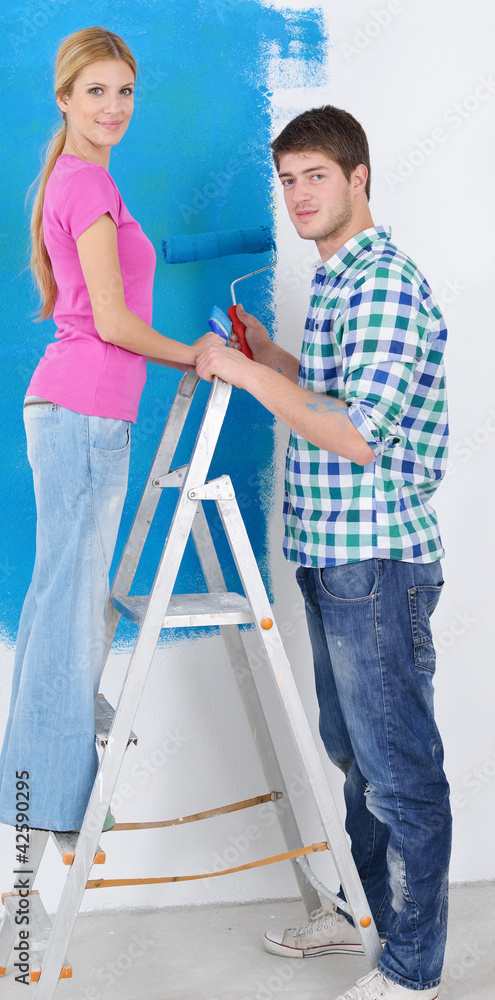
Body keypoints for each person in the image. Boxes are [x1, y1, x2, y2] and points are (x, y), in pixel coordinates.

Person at [196, 106, 451, 1000]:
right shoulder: (342, 280)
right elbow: (336, 395)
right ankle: (366, 914)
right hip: (334, 555)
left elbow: (358, 434)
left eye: (316, 176)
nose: (299, 195)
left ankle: (412, 970)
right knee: (356, 759)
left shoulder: (380, 282)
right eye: (288, 180)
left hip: (373, 559)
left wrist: (241, 372)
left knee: (397, 770)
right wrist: (274, 358)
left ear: (358, 178)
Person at [0, 27, 211, 833]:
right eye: (96, 91)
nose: (114, 106)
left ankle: (37, 783)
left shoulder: (80, 180)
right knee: (71, 603)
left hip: (75, 410)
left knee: (62, 597)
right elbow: (114, 323)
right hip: (83, 411)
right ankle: (56, 802)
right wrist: (198, 355)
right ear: (64, 98)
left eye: (124, 91)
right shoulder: (85, 183)